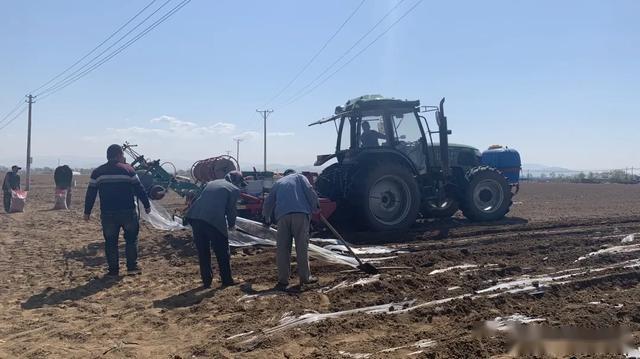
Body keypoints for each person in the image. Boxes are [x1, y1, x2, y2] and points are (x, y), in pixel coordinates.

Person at [84, 144, 151, 277]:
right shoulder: (129, 170)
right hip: (128, 212)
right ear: (120, 155)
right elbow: (140, 189)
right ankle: (132, 267)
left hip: (108, 214)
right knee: (131, 240)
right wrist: (147, 205)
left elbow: (90, 193)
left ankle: (113, 271)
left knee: (110, 242)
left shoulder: (97, 172)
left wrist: (87, 211)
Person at [184, 171, 245, 288]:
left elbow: (200, 199)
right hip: (213, 220)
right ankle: (227, 280)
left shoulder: (212, 183)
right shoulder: (234, 189)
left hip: (195, 217)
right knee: (222, 251)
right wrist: (231, 225)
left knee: (203, 251)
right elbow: (231, 211)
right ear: (236, 181)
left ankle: (206, 281)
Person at [262, 169, 320, 291]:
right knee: (301, 248)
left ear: (285, 175)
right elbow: (310, 191)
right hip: (300, 214)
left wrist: (266, 217)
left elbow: (268, 201)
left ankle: (283, 280)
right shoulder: (300, 177)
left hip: (282, 217)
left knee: (282, 249)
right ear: (293, 172)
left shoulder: (278, 183)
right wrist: (316, 206)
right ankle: (305, 278)